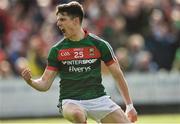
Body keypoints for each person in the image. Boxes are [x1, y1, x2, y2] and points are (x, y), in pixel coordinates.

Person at [21, 1, 137, 123]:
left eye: (62, 19)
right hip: (71, 101)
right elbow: (44, 83)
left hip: (98, 99)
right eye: (58, 20)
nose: (58, 23)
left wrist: (129, 106)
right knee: (77, 114)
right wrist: (30, 81)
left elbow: (118, 75)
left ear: (75, 21)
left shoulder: (100, 45)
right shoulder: (57, 50)